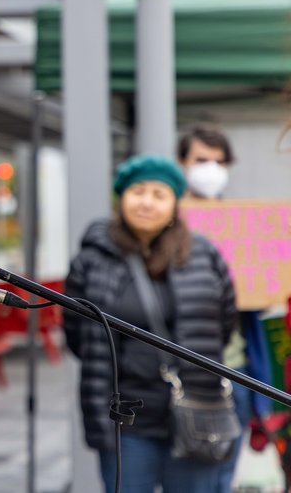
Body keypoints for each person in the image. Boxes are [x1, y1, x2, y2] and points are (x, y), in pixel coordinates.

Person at [62, 154, 238, 493]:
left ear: (175, 203)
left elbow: (224, 322)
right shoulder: (92, 259)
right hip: (125, 419)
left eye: (159, 194)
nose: (147, 202)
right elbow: (77, 335)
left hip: (198, 411)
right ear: (121, 198)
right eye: (137, 191)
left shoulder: (203, 253)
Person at [177, 124, 256, 493]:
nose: (210, 169)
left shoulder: (250, 226)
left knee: (224, 474)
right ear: (183, 164)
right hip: (182, 368)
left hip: (236, 366)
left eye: (218, 162)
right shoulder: (166, 224)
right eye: (201, 160)